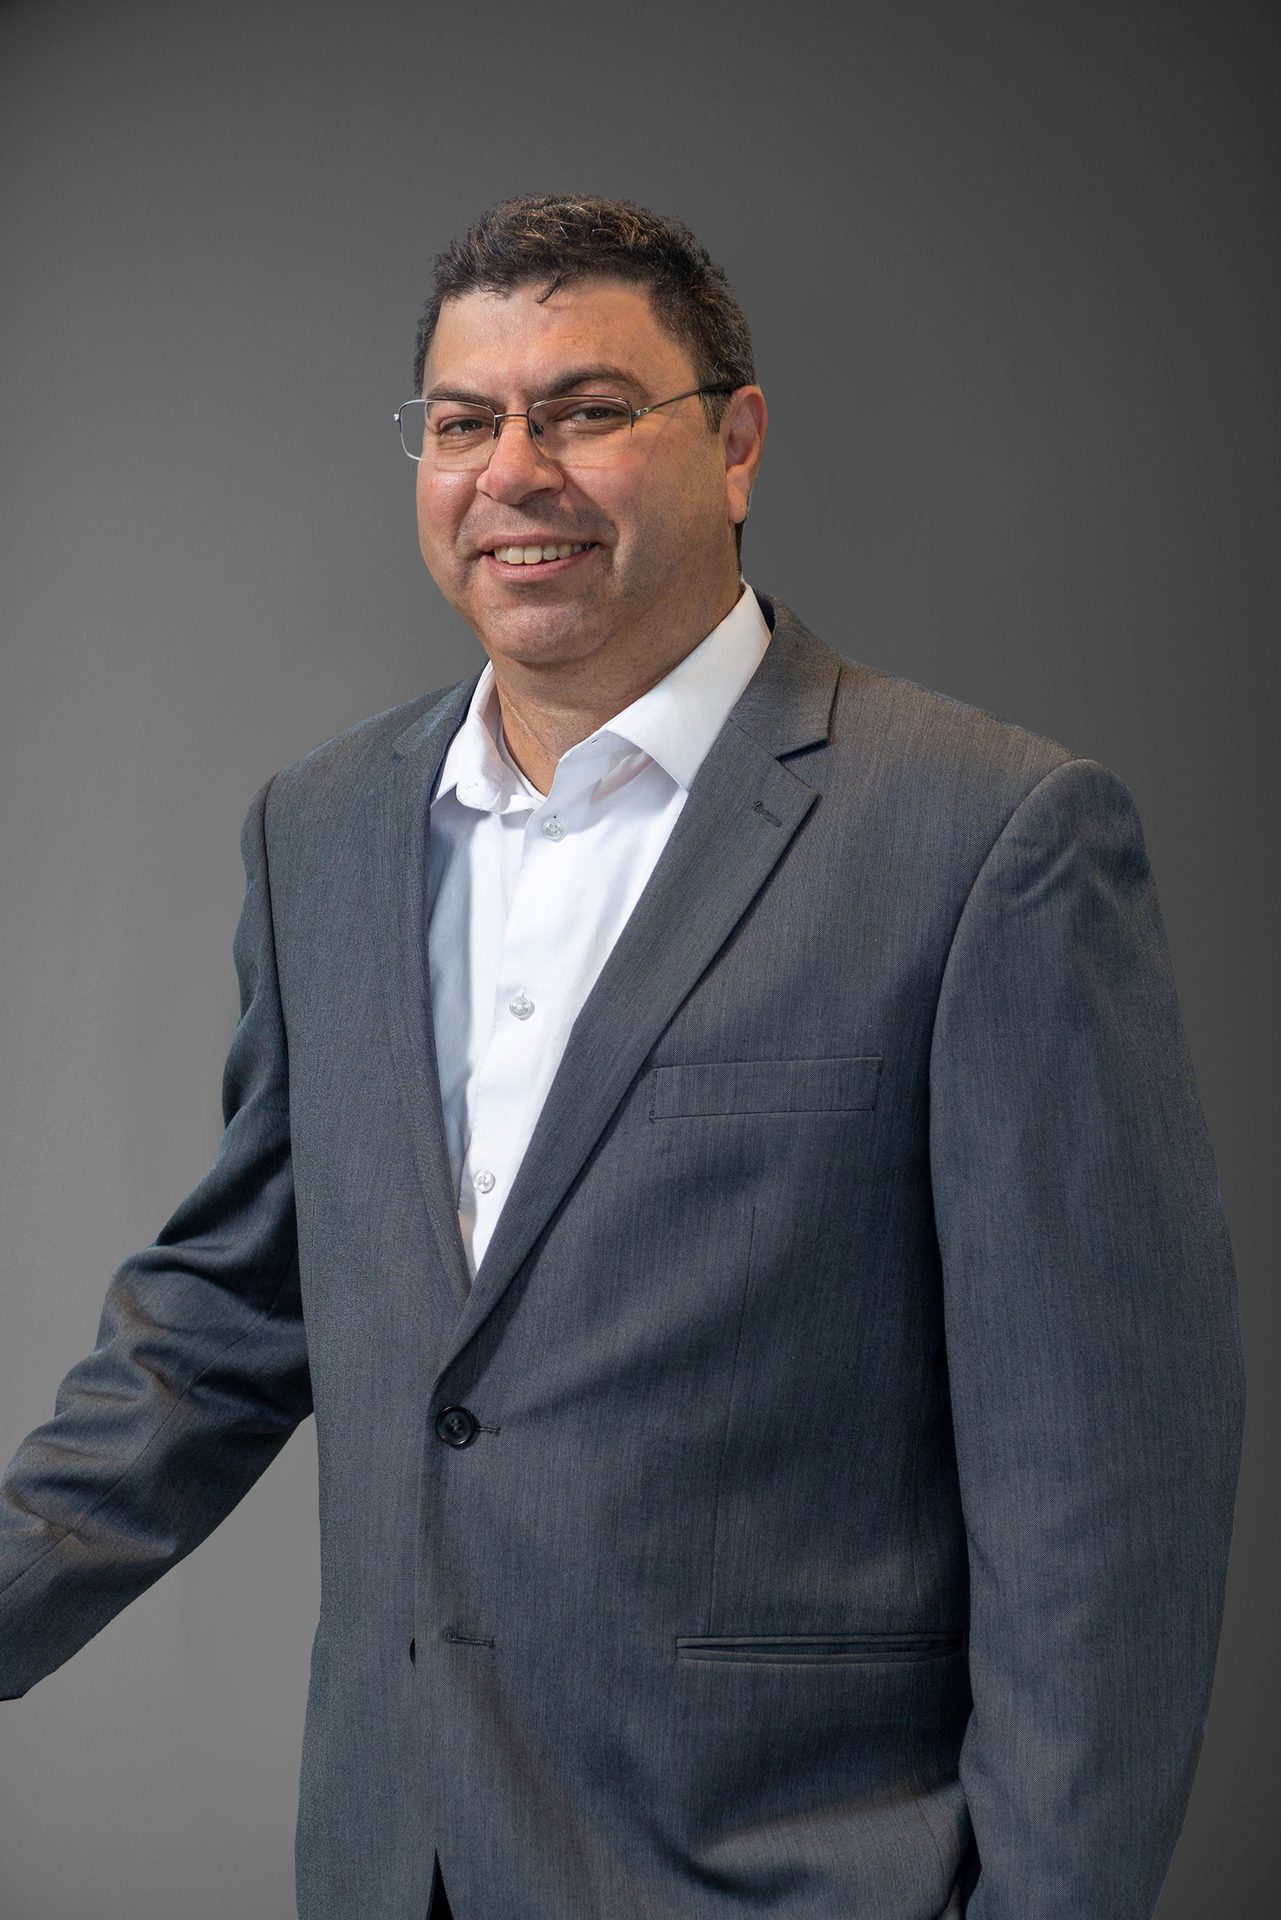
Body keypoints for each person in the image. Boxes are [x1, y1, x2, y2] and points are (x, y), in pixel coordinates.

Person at [0, 193, 1245, 1920]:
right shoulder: (324, 830)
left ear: (734, 443)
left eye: (586, 411)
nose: (515, 469)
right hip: (393, 1858)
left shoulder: (990, 839)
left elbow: (1104, 1489)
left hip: (792, 1878)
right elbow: (225, 1317)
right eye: (462, 422)